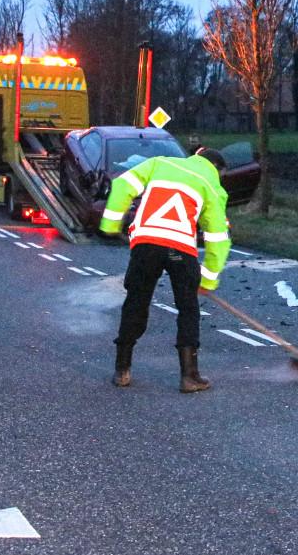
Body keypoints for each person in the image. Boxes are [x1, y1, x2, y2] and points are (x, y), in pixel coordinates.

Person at [99, 147, 231, 393]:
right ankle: (190, 376)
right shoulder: (212, 185)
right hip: (180, 250)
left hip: (146, 244)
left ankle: (122, 370)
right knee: (187, 308)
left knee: (136, 302)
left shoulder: (159, 163)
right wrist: (208, 279)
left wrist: (110, 223)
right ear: (217, 169)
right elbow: (217, 237)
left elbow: (122, 186)